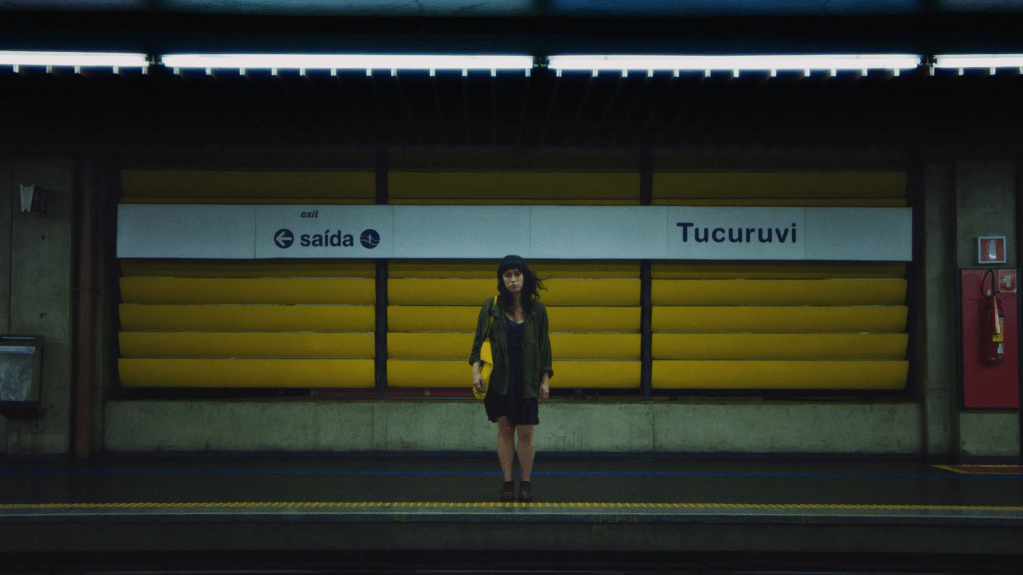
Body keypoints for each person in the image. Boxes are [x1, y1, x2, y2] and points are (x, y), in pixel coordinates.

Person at [470, 255, 553, 503]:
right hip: (500, 379)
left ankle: (525, 482)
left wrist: (545, 379)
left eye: (517, 275)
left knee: (526, 433)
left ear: (524, 277)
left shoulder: (538, 310)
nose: (513, 280)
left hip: (527, 378)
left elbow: (545, 348)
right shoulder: (490, 307)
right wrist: (476, 372)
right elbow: (478, 344)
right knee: (505, 430)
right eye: (508, 276)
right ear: (501, 279)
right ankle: (507, 481)